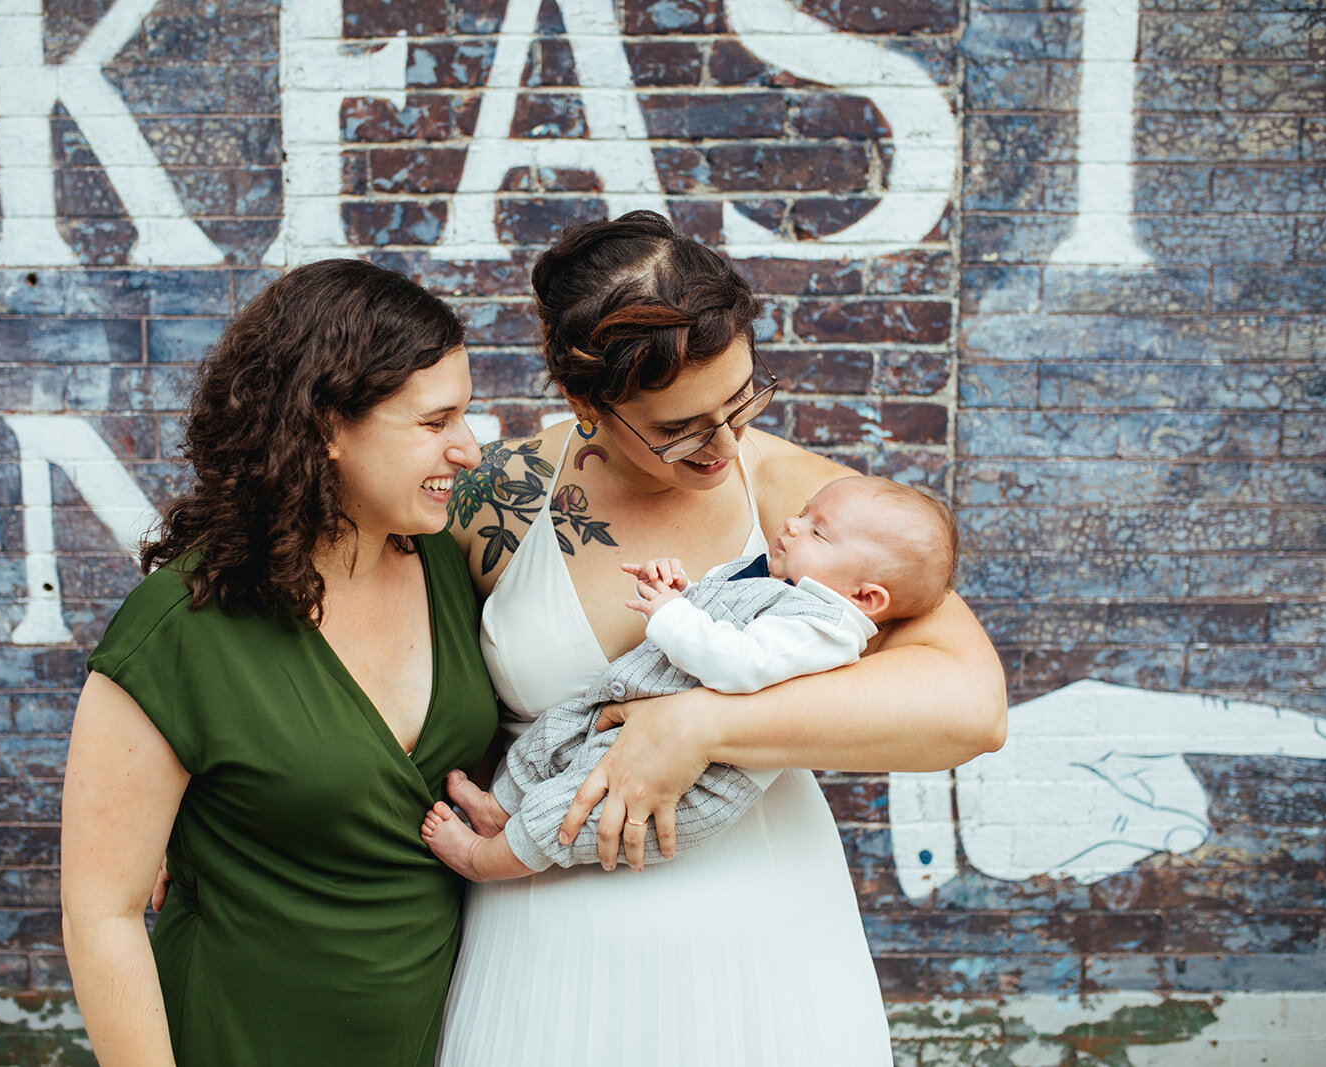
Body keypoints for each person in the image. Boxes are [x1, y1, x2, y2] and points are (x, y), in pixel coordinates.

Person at [437, 211, 1006, 1065]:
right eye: (679, 428)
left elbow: (972, 707)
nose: (725, 442)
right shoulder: (495, 498)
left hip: (764, 943)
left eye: (742, 401)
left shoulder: (795, 500)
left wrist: (699, 726)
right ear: (586, 401)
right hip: (542, 936)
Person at [59, 260, 498, 1066]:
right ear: (329, 425)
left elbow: (600, 457)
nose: (470, 450)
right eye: (437, 422)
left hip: (434, 1034)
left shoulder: (454, 560)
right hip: (240, 1031)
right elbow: (102, 913)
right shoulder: (181, 629)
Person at [421, 475, 957, 881]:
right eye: (802, 513)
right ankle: (498, 806)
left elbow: (740, 662)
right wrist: (681, 588)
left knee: (575, 809)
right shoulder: (781, 581)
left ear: (866, 597)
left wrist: (670, 615)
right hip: (632, 713)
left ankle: (484, 858)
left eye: (818, 531)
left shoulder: (825, 627)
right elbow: (718, 608)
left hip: (694, 784)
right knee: (555, 735)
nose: (793, 525)